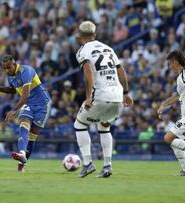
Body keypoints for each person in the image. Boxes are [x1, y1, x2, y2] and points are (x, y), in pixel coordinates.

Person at [73, 21, 133, 178]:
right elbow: (121, 70)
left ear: (79, 36)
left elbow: (88, 73)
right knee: (104, 127)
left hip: (100, 94)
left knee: (80, 124)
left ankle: (87, 163)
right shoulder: (108, 49)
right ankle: (107, 165)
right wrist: (126, 93)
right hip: (117, 96)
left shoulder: (82, 51)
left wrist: (88, 97)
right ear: (95, 35)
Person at [0, 55, 51, 172]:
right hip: (29, 104)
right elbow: (11, 90)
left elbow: (25, 95)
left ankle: (22, 163)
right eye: (4, 68)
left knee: (32, 136)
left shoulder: (26, 71)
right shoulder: (11, 77)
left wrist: (14, 110)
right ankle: (22, 154)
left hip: (42, 103)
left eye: (8, 67)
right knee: (24, 123)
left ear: (14, 64)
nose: (6, 70)